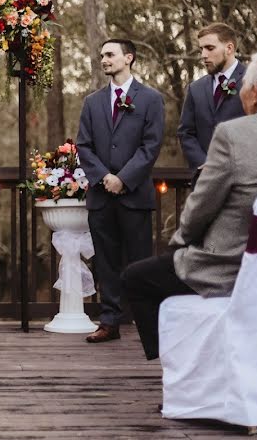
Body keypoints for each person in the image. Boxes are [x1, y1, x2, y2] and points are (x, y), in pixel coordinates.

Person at [123, 50, 257, 360]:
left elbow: (202, 206)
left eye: (247, 85)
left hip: (234, 266)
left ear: (256, 94)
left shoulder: (233, 134)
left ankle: (181, 373)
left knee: (135, 278)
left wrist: (179, 242)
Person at [76, 39, 165, 344]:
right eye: (101, 55)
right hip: (101, 196)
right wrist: (103, 177)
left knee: (140, 262)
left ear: (129, 58)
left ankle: (147, 324)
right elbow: (83, 146)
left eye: (110, 55)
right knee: (106, 261)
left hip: (134, 195)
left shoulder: (151, 99)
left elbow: (151, 145)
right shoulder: (92, 102)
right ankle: (109, 321)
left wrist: (124, 179)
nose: (104, 59)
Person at [177, 23, 246, 185]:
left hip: (242, 180)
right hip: (204, 182)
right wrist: (204, 164)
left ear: (229, 48)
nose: (203, 55)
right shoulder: (196, 88)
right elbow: (186, 133)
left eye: (209, 48)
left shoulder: (253, 81)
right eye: (201, 49)